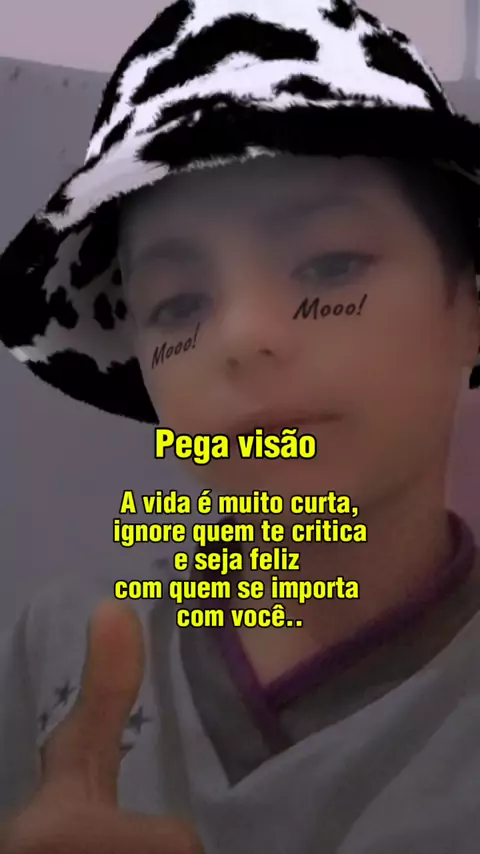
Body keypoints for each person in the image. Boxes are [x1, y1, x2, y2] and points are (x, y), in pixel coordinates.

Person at [0, 1, 480, 851]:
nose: (243, 335)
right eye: (178, 302)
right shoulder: (65, 640)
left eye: (332, 261)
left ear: (469, 312)